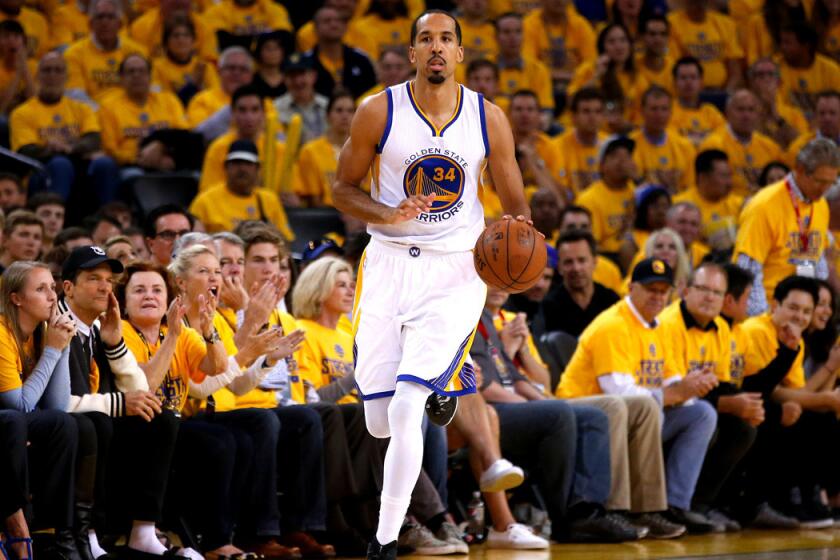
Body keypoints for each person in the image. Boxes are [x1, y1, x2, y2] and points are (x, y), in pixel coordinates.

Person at [330, 10, 530, 559]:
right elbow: (342, 189)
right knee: (376, 421)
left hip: (453, 269)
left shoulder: (489, 120)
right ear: (412, 53)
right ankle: (445, 380)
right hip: (389, 264)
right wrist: (387, 213)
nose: (436, 47)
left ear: (459, 54)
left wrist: (514, 251)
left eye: (446, 39)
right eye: (426, 39)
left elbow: (518, 210)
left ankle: (385, 540)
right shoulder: (379, 111)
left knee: (404, 407)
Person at [557, 257, 720, 533]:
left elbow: (672, 381)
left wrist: (693, 387)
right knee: (639, 405)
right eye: (650, 289)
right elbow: (618, 392)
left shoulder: (658, 327)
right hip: (583, 410)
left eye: (663, 290)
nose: (657, 296)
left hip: (632, 416)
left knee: (701, 413)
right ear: (631, 288)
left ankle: (673, 506)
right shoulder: (613, 325)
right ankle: (618, 508)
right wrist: (674, 392)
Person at [57, 246, 185, 559]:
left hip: (93, 423)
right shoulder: (56, 327)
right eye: (93, 279)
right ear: (68, 287)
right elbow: (59, 403)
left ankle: (143, 531)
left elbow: (140, 389)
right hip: (65, 426)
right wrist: (118, 403)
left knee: (161, 417)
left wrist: (114, 344)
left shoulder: (101, 327)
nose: (104, 287)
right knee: (97, 423)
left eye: (108, 280)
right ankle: (87, 532)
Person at [657, 263, 759, 532]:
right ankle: (673, 505)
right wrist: (730, 404)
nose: (709, 297)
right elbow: (678, 394)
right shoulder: (668, 324)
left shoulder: (721, 329)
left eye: (716, 292)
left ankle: (701, 506)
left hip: (695, 404)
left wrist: (746, 405)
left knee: (744, 427)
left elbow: (722, 384)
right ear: (685, 290)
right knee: (706, 416)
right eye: (703, 289)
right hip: (665, 405)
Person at [0, 261, 80, 558]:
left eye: (53, 287)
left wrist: (63, 344)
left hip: (14, 419)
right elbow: (19, 405)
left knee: (64, 424)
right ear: (16, 298)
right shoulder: (2, 333)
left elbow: (57, 407)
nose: (53, 296)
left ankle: (52, 532)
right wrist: (53, 350)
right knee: (13, 422)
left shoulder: (40, 332)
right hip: (8, 420)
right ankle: (17, 523)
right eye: (41, 289)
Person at [734, 138, 840, 316]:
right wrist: (763, 319)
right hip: (770, 309)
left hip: (803, 313)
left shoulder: (820, 205)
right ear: (799, 170)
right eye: (819, 181)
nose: (825, 189)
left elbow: (817, 257)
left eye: (831, 183)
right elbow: (747, 268)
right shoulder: (764, 205)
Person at [10, 52, 119, 204]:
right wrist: (50, 148)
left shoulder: (82, 108)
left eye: (58, 70)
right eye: (47, 70)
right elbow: (26, 151)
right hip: (42, 171)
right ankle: (55, 215)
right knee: (61, 164)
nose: (52, 75)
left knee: (105, 164)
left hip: (77, 165)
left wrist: (68, 147)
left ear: (67, 77)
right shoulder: (21, 113)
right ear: (37, 76)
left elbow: (93, 139)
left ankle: (108, 219)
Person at [98, 54, 188, 172]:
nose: (137, 75)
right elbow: (110, 150)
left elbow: (184, 135)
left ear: (150, 77)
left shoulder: (169, 100)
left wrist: (165, 151)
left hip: (168, 161)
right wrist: (140, 159)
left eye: (142, 71)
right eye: (131, 72)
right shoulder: (108, 107)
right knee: (133, 175)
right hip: (130, 166)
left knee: (194, 175)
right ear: (121, 78)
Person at [190, 139, 292, 239]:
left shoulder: (269, 200)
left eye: (248, 163)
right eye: (236, 163)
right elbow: (192, 242)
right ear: (226, 167)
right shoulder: (205, 201)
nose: (242, 169)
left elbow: (286, 240)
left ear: (258, 169)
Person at [699, 90, 783, 197]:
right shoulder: (713, 145)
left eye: (751, 110)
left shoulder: (770, 147)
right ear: (727, 113)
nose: (746, 115)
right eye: (740, 109)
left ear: (758, 114)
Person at [63, 0, 148, 104]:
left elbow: (151, 89)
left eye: (110, 17)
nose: (105, 22)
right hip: (94, 115)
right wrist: (104, 114)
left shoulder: (138, 52)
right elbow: (75, 96)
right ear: (90, 24)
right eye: (100, 17)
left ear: (120, 24)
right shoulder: (73, 54)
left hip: (130, 115)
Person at [543, 231, 619, 337]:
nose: (576, 268)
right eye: (568, 262)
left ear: (595, 262)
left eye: (582, 260)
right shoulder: (547, 308)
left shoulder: (612, 302)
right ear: (559, 267)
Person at [575, 135, 635, 261]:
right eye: (614, 156)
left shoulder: (636, 191)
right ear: (601, 165)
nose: (621, 161)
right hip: (606, 256)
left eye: (626, 156)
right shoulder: (588, 198)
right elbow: (590, 244)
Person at [630, 86, 696, 194]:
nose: (659, 115)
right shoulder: (630, 146)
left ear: (671, 112)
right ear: (642, 111)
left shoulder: (685, 146)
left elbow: (690, 189)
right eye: (654, 109)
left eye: (664, 109)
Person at [673, 150, 743, 251]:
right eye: (724, 176)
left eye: (730, 176)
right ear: (703, 177)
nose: (729, 182)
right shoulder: (678, 206)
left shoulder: (740, 205)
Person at [666, 0, 744, 91]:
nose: (698, 4)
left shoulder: (726, 23)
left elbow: (735, 68)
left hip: (722, 91)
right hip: (688, 91)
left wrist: (726, 93)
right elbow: (674, 66)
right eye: (694, 2)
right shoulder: (671, 23)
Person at [297, 90, 357, 207]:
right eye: (339, 110)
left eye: (350, 111)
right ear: (328, 115)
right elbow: (312, 200)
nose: (345, 116)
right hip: (324, 216)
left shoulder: (365, 150)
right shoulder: (310, 151)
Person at [305, 6, 377, 100]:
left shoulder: (361, 59)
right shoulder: (305, 62)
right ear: (315, 28)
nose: (334, 24)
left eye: (339, 20)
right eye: (327, 21)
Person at [493, 12, 553, 117]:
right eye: (506, 32)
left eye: (518, 32)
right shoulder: (484, 67)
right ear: (496, 36)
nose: (513, 37)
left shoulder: (538, 69)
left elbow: (546, 110)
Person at [150, 16, 219, 107]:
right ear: (166, 43)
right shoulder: (156, 67)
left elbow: (216, 99)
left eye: (186, 35)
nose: (181, 40)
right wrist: (192, 85)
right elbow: (163, 105)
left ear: (193, 42)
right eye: (176, 36)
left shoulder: (204, 67)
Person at [554, 87, 608, 198]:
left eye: (597, 112)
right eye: (586, 111)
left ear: (603, 116)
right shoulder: (556, 146)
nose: (592, 117)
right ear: (573, 117)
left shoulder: (610, 145)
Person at [273, 54, 330, 144]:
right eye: (292, 76)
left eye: (302, 74)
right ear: (284, 79)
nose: (298, 81)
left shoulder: (327, 105)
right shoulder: (276, 108)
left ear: (313, 76)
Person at [670, 57, 725, 148]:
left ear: (701, 82)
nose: (688, 82)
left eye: (693, 77)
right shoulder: (667, 111)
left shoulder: (711, 112)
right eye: (683, 78)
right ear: (675, 82)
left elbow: (723, 138)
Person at [786, 90, 840, 165]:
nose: (827, 118)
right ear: (815, 116)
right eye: (822, 113)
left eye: (832, 113)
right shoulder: (799, 147)